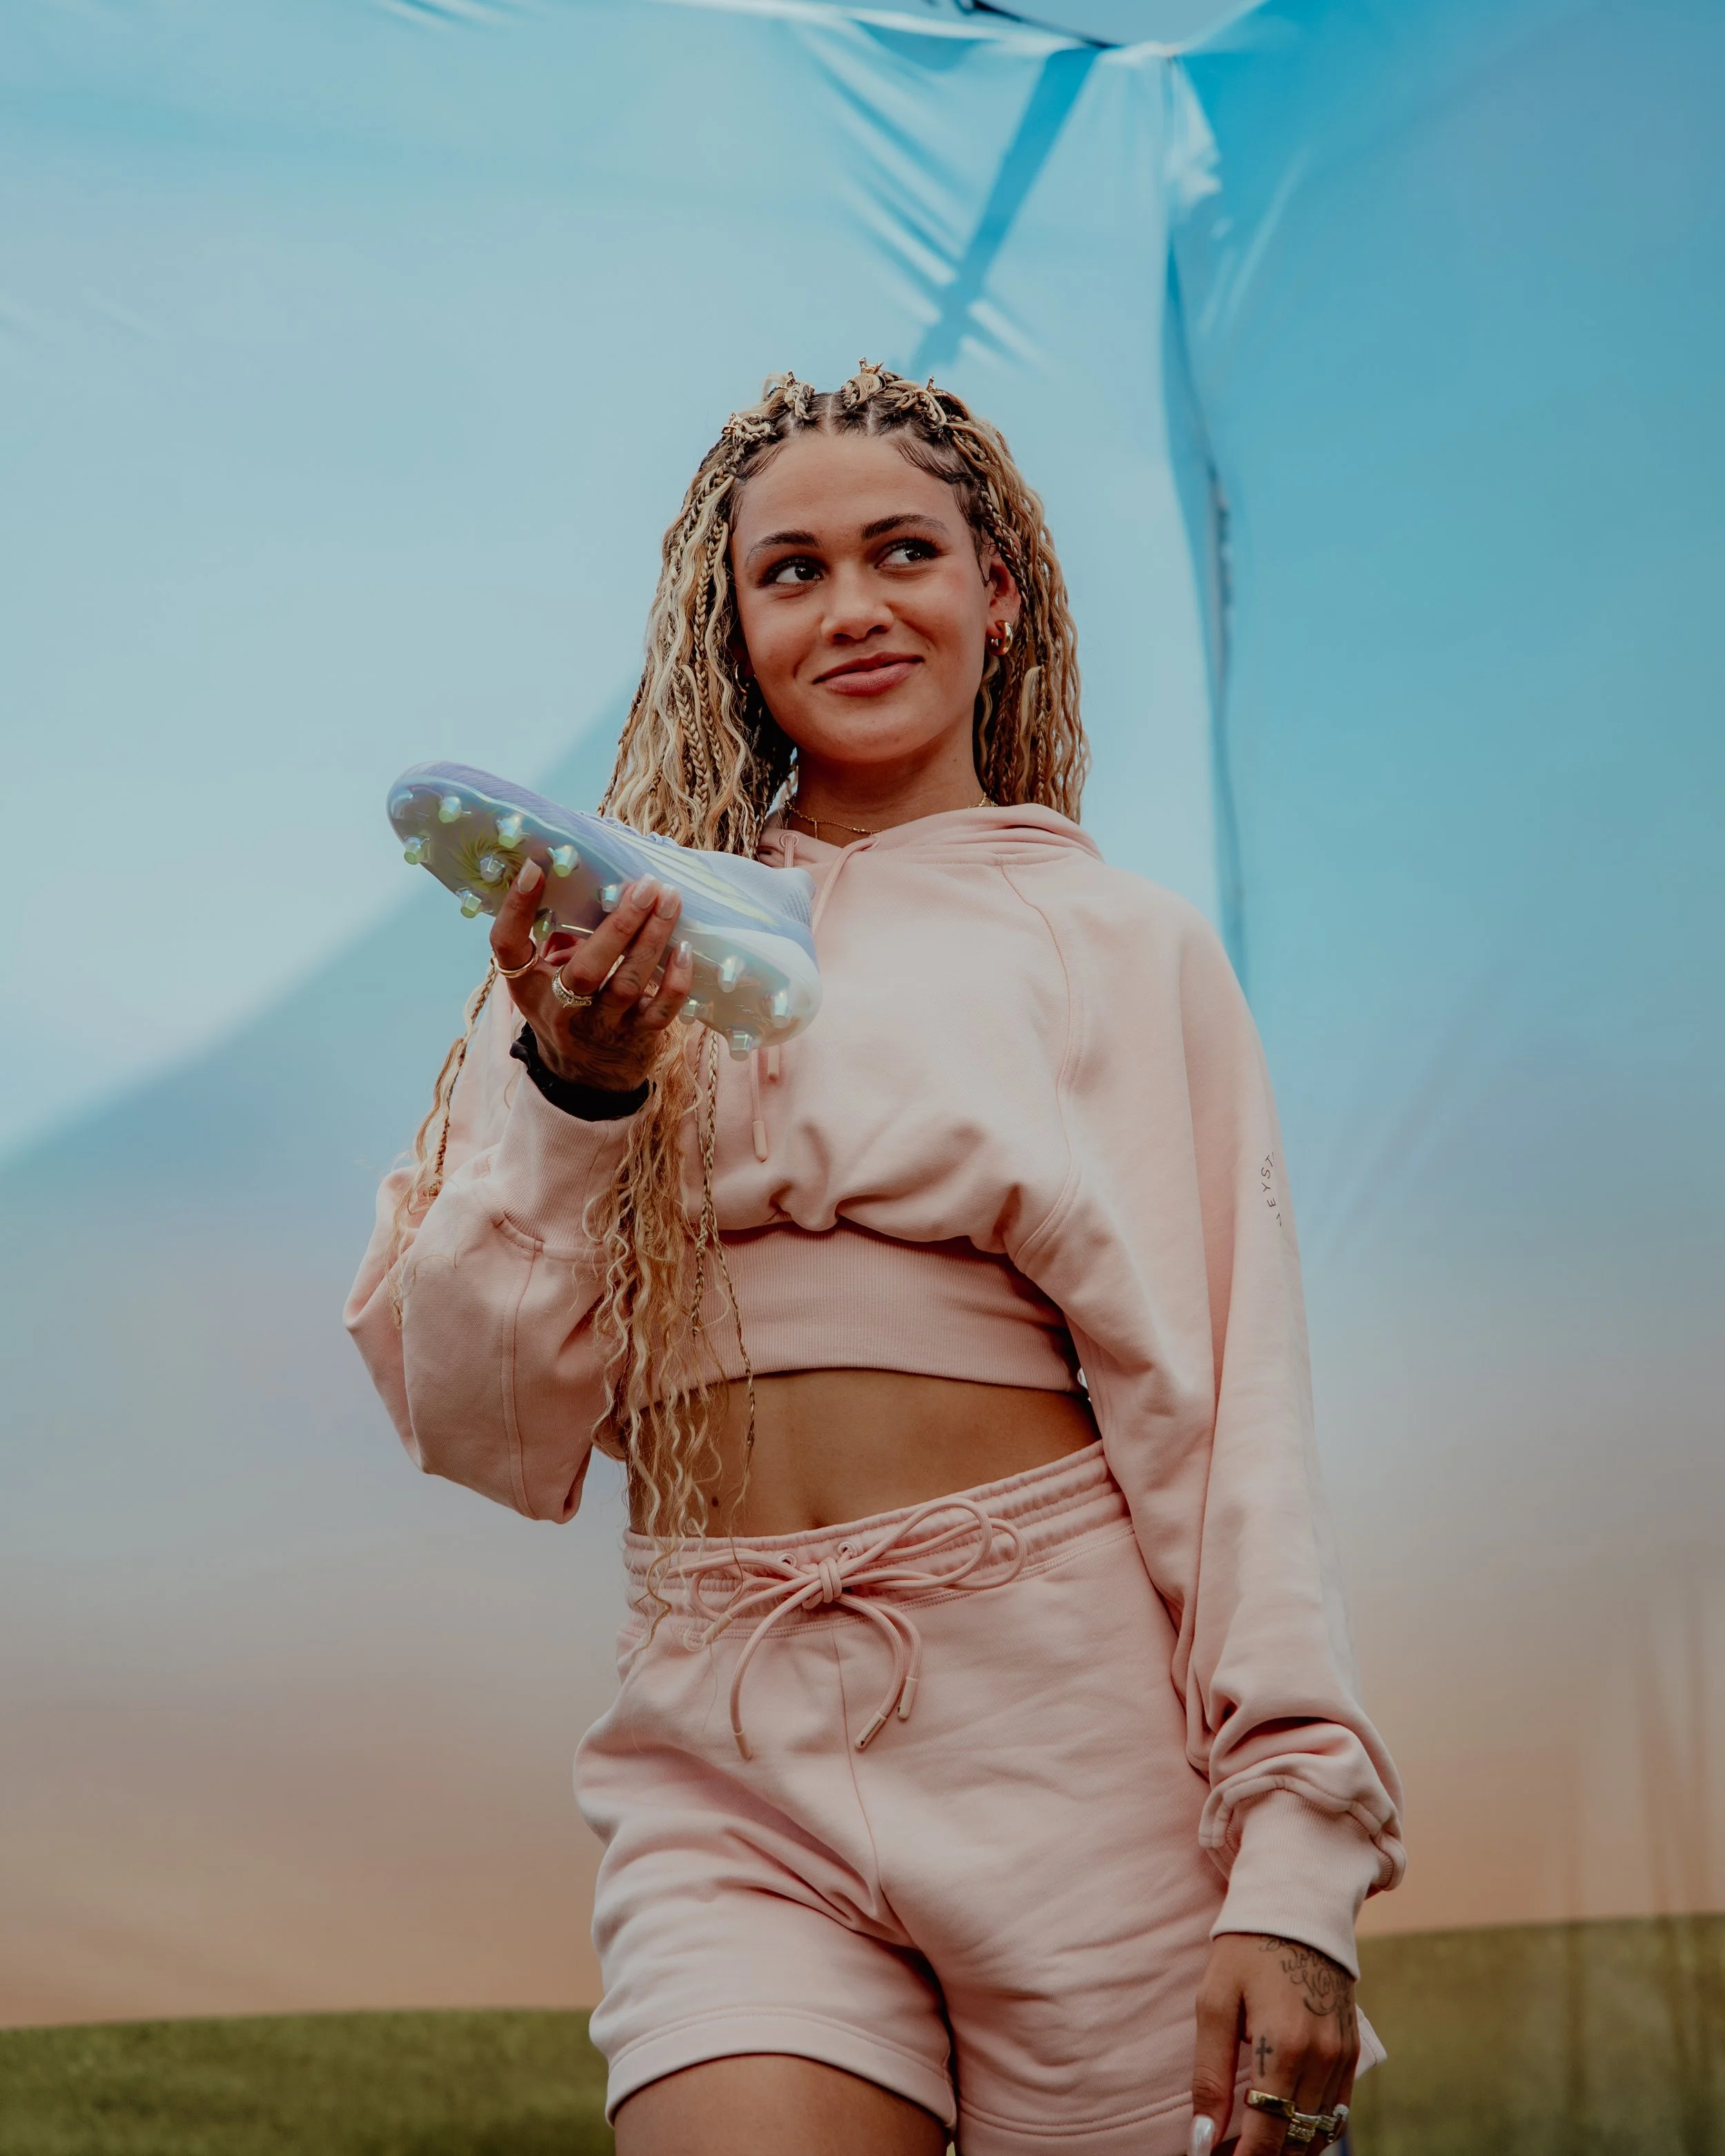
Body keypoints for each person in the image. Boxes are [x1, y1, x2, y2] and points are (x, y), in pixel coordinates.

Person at [346, 365, 1404, 2156]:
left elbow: (1233, 1428)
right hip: (725, 1737)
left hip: (1067, 1736)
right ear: (730, 619)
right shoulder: (619, 939)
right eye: (791, 570)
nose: (850, 605)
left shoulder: (1116, 943)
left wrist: (1291, 1856)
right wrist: (577, 1089)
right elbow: (474, 1404)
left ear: (997, 592)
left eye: (901, 551)